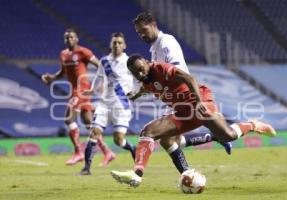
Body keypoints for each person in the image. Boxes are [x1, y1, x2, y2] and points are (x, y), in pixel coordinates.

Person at [110, 55, 276, 187]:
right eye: (135, 73)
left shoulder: (161, 68)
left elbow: (189, 79)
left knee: (228, 135)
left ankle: (253, 124)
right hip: (182, 112)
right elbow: (148, 87)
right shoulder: (145, 81)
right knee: (149, 132)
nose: (140, 74)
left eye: (141, 69)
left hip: (198, 103)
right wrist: (136, 95)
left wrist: (198, 102)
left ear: (147, 62)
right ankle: (137, 174)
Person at [131, 12, 232, 174]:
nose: (142, 35)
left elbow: (176, 73)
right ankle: (193, 167)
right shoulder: (155, 49)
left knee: (166, 139)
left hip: (185, 97)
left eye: (144, 30)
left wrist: (158, 87)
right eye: (138, 33)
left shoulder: (166, 43)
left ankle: (188, 170)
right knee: (169, 140)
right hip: (174, 99)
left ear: (153, 25)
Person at [41, 28, 115, 166]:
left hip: (82, 90)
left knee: (68, 119)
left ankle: (78, 152)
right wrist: (52, 78)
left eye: (72, 37)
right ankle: (107, 152)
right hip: (74, 90)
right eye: (67, 38)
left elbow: (100, 65)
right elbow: (63, 72)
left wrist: (101, 81)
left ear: (77, 39)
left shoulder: (83, 52)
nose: (69, 39)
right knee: (88, 123)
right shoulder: (63, 54)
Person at [78, 32, 136, 175]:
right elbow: (98, 78)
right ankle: (86, 169)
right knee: (94, 133)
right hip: (104, 104)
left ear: (124, 45)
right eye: (114, 42)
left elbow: (138, 79)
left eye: (119, 43)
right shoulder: (104, 61)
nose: (116, 45)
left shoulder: (130, 62)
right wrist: (91, 90)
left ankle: (133, 149)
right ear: (110, 44)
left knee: (118, 140)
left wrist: (135, 91)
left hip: (121, 105)